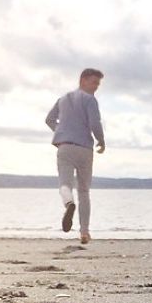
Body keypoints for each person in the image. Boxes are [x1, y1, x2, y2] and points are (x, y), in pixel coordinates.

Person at [45, 68, 105, 244]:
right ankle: (84, 232)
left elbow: (49, 119)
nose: (96, 87)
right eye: (94, 82)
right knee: (84, 191)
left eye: (98, 84)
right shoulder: (90, 100)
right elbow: (95, 123)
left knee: (64, 184)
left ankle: (68, 203)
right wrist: (101, 141)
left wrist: (61, 132)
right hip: (85, 148)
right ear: (83, 80)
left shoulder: (62, 99)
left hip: (64, 147)